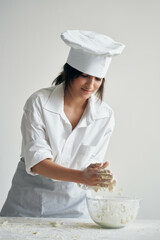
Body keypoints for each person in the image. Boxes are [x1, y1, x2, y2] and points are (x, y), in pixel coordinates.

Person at [0, 30, 125, 218]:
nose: (91, 85)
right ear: (70, 72)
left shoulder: (105, 116)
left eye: (98, 79)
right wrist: (81, 176)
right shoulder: (39, 102)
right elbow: (38, 162)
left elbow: (91, 166)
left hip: (74, 208)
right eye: (84, 75)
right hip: (27, 205)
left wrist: (98, 176)